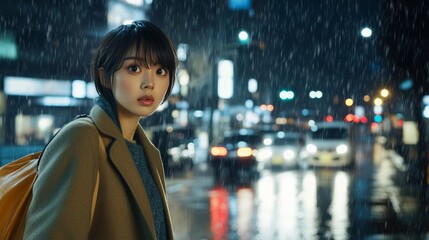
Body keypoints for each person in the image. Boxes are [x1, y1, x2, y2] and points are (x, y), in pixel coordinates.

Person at [24, 20, 178, 239]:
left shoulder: (148, 153)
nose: (149, 83)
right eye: (134, 68)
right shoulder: (82, 137)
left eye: (161, 71)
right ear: (105, 76)